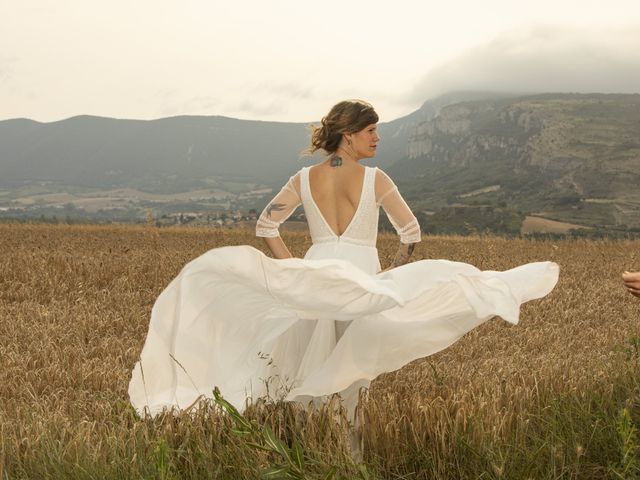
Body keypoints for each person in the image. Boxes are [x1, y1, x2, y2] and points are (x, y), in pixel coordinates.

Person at [128, 100, 559, 447]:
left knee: (304, 362)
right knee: (352, 365)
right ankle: (345, 452)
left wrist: (292, 271)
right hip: (359, 277)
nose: (378, 137)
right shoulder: (375, 179)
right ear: (349, 135)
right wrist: (389, 278)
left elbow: (265, 226)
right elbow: (411, 231)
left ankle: (306, 449)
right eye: (371, 130)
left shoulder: (303, 178)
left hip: (316, 276)